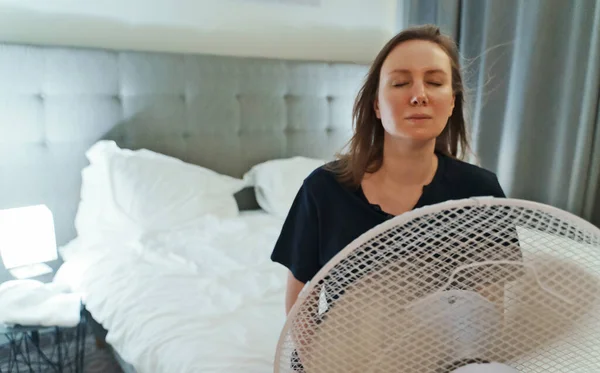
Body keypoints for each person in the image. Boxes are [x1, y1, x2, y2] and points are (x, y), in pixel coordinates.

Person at [270, 24, 521, 371]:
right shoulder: (324, 190)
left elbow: (490, 309)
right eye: (401, 83)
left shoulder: (481, 194)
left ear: (452, 102)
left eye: (434, 82)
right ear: (375, 104)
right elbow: (300, 300)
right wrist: (320, 362)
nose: (419, 95)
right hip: (344, 356)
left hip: (443, 358)